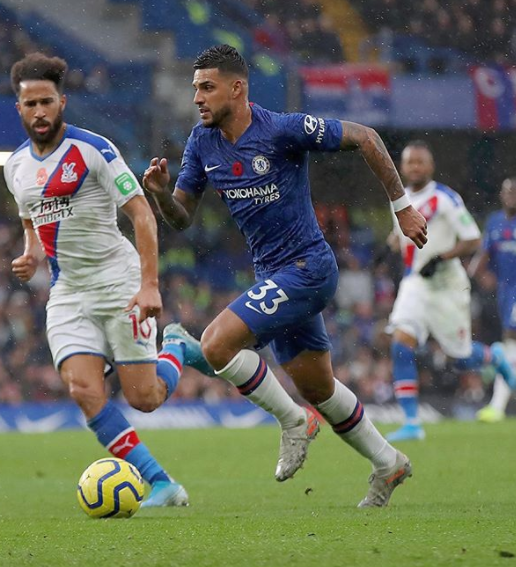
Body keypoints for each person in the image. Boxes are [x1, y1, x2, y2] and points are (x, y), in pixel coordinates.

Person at [142, 44, 428, 507]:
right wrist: (159, 195)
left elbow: (368, 138)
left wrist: (402, 209)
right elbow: (181, 218)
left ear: (237, 88)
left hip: (309, 267)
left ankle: (294, 422)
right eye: (195, 88)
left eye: (207, 88)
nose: (197, 97)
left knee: (216, 344)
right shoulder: (201, 142)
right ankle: (388, 463)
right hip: (273, 275)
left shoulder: (282, 130)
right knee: (319, 388)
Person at [4, 53, 188, 507]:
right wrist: (30, 253)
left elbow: (142, 215)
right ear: (19, 108)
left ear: (62, 102)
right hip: (68, 292)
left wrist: (149, 285)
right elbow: (30, 215)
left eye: (47, 102)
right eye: (31, 104)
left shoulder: (94, 150)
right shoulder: (14, 166)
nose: (40, 112)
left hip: (118, 283)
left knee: (145, 398)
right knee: (83, 389)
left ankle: (180, 346)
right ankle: (160, 482)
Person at [385, 141, 516, 441]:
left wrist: (441, 257)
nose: (415, 167)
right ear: (402, 167)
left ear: (430, 167)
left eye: (421, 162)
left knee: (460, 359)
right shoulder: (398, 200)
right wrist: (391, 245)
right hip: (415, 283)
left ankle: (494, 357)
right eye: (410, 162)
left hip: (448, 286)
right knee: (400, 343)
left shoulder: (445, 198)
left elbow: (472, 239)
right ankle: (411, 424)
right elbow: (400, 236)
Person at [469, 176, 516, 422]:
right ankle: (498, 404)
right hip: (506, 294)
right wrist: (481, 274)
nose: (511, 196)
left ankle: (497, 406)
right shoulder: (495, 222)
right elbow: (481, 260)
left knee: (510, 340)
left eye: (515, 192)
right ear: (501, 195)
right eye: (507, 191)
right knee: (509, 343)